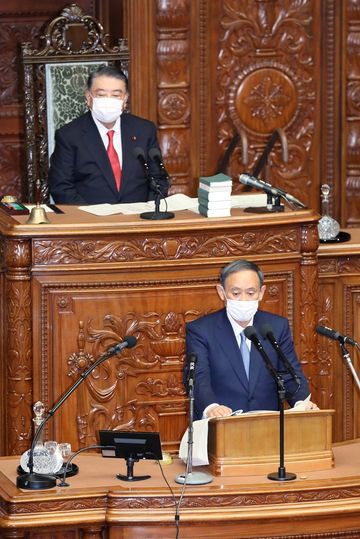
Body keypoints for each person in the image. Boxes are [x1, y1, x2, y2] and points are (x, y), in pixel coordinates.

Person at [185, 259, 318, 420]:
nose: (243, 300)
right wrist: (211, 407)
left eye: (250, 293)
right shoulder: (201, 330)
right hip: (221, 426)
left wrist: (301, 404)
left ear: (261, 293)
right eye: (235, 293)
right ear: (221, 292)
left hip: (267, 428)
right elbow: (199, 377)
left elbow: (290, 374)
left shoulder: (275, 327)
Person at [48, 66, 168, 205]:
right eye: (101, 95)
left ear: (125, 99)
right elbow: (61, 187)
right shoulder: (69, 135)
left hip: (138, 220)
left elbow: (159, 179)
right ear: (88, 97)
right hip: (92, 221)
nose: (109, 100)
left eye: (116, 95)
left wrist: (146, 214)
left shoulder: (144, 130)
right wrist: (93, 219)